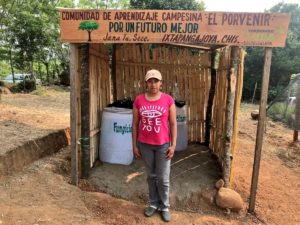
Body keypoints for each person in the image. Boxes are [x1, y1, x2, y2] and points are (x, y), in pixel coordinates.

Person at [132, 69, 177, 222]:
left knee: (163, 178)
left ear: (161, 83)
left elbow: (173, 123)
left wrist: (173, 145)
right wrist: (135, 145)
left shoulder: (168, 100)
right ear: (146, 83)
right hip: (144, 145)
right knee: (151, 177)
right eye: (150, 81)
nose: (153, 84)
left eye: (156, 81)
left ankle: (165, 206)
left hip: (163, 145)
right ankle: (153, 203)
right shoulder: (139, 100)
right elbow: (135, 124)